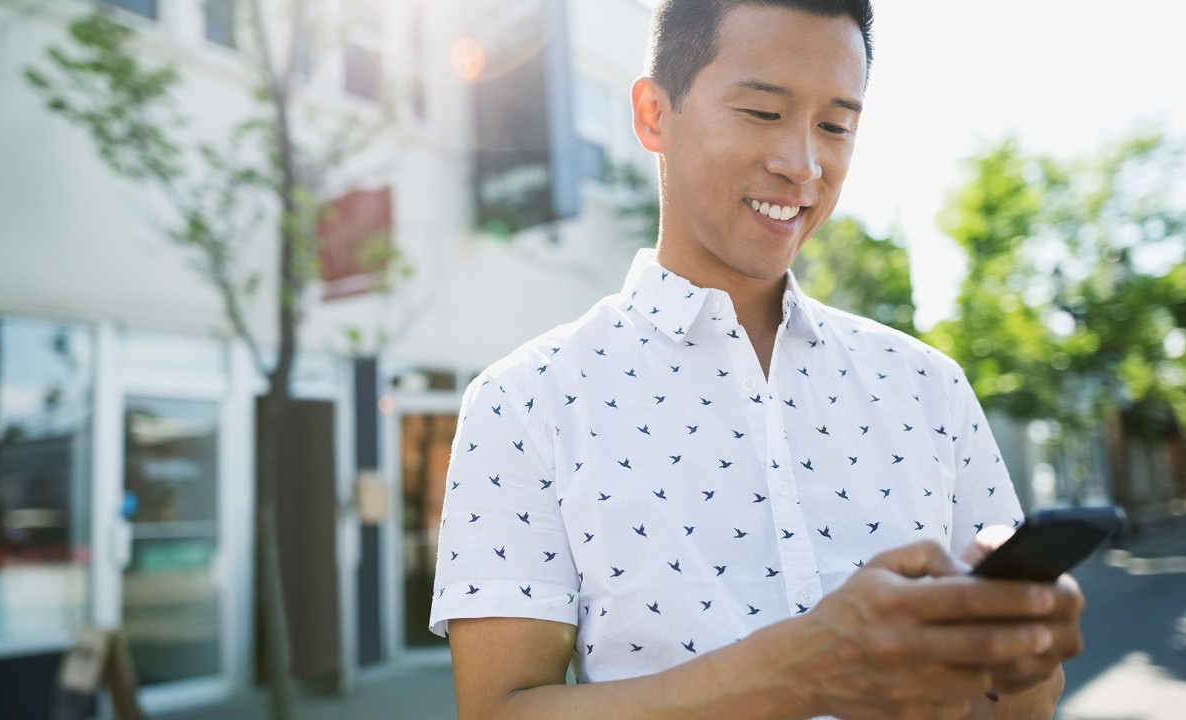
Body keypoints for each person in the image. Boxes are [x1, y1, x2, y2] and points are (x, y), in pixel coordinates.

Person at [429, 1, 1085, 718]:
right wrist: (795, 673)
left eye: (835, 125)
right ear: (654, 115)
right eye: (762, 113)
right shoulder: (525, 401)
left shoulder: (930, 387)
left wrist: (1024, 664)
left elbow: (1019, 708)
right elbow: (498, 711)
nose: (803, 164)